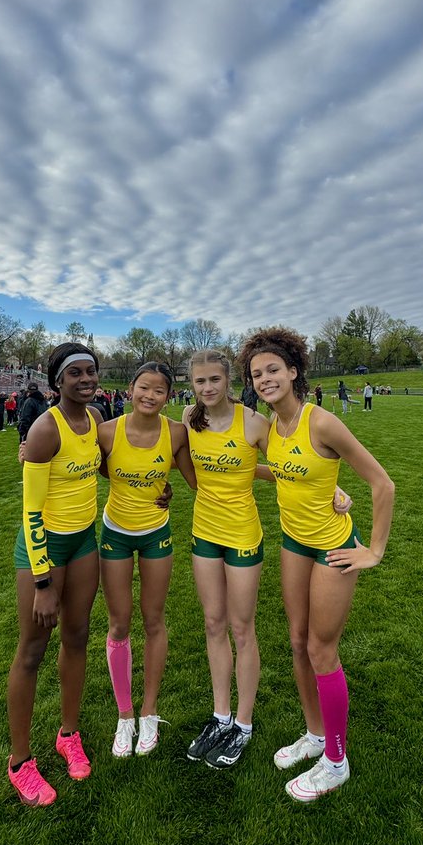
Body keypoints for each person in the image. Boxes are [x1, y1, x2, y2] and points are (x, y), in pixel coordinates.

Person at [239, 328, 394, 803]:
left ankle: (336, 762)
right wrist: (233, 471)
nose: (265, 379)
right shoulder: (271, 426)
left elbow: (382, 484)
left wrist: (374, 551)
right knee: (297, 642)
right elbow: (284, 470)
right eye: (256, 374)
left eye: (272, 370)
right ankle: (315, 734)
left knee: (322, 651)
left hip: (332, 549)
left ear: (293, 372)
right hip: (294, 544)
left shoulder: (322, 422)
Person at [6, 342, 104, 807]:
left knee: (78, 636)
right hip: (44, 547)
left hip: (84, 541)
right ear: (57, 381)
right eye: (75, 373)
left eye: (91, 371)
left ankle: (68, 734)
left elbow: (111, 466)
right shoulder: (46, 429)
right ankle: (20, 762)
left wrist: (157, 489)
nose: (86, 379)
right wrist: (43, 584)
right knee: (32, 650)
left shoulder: (97, 418)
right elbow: (31, 511)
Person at [181, 349, 276, 770]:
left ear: (229, 381)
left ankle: (244, 723)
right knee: (213, 623)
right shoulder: (189, 418)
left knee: (241, 628)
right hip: (204, 533)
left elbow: (286, 466)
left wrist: (329, 490)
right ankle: (221, 717)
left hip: (242, 536)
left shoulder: (253, 422)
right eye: (200, 381)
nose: (207, 388)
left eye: (214, 380)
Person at [97, 362, 195, 758]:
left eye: (159, 391)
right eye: (144, 387)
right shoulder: (107, 431)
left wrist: (282, 476)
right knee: (119, 623)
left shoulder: (176, 433)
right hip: (115, 534)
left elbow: (200, 477)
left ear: (168, 397)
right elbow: (92, 468)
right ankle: (124, 716)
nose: (150, 396)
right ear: (130, 388)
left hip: (156, 534)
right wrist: (28, 454)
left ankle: (149, 711)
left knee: (154, 621)